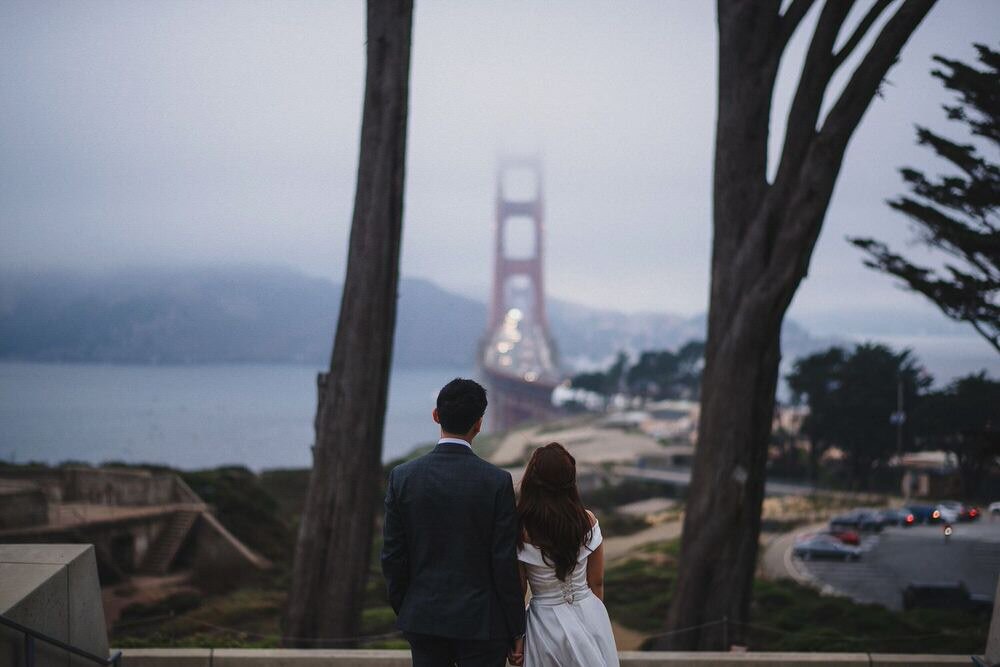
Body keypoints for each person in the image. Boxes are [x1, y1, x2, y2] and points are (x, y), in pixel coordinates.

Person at [381, 378, 526, 667]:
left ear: (436, 416)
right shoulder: (497, 482)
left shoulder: (403, 477)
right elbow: (504, 562)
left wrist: (408, 608)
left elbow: (393, 557)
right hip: (483, 624)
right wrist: (516, 628)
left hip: (423, 618)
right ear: (479, 424)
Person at [514, 442, 619, 666]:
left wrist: (517, 639)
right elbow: (597, 581)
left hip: (544, 623)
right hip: (589, 612)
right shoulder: (587, 520)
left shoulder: (521, 528)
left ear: (533, 480)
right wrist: (591, 616)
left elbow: (519, 589)